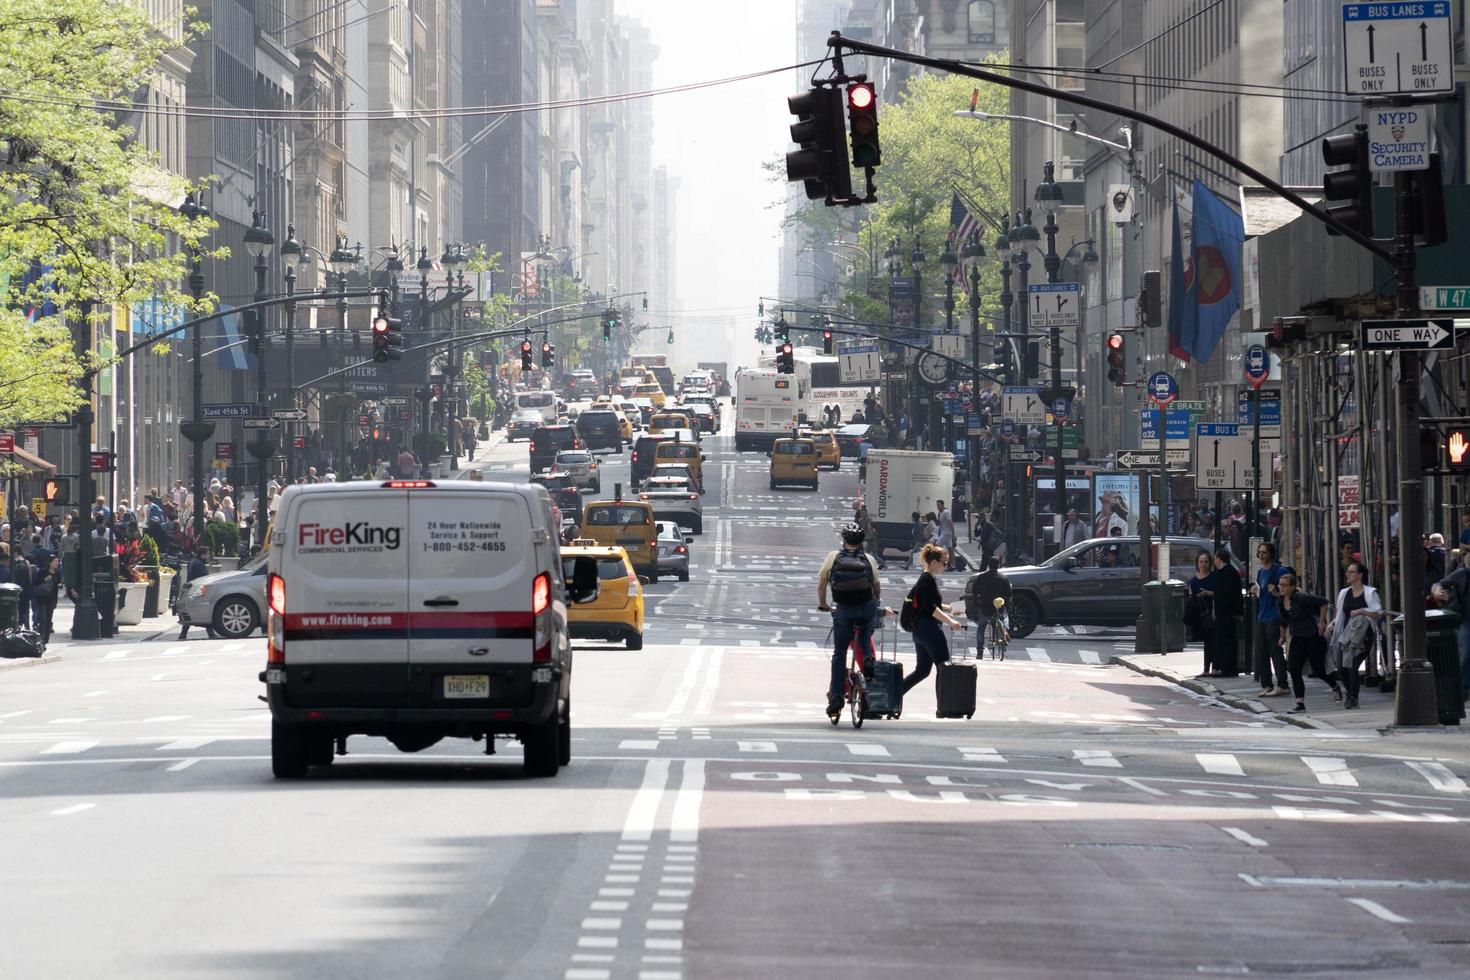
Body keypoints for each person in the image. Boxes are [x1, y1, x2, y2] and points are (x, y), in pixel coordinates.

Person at [817, 522, 882, 720]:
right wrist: (875, 603)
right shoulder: (868, 559)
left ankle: (836, 699)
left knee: (840, 653)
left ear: (844, 540)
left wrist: (824, 604)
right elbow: (877, 587)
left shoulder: (833, 557)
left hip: (844, 610)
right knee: (864, 633)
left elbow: (821, 585)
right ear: (862, 541)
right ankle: (868, 660)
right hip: (866, 608)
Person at [900, 544, 964, 707]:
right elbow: (931, 608)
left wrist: (952, 609)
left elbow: (930, 604)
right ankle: (944, 706)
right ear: (934, 562)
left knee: (922, 670)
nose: (946, 566)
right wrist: (950, 622)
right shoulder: (927, 581)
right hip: (930, 630)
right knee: (943, 667)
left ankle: (893, 694)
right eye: (944, 563)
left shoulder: (925, 579)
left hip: (920, 632)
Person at [1276, 573, 1342, 713]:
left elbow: (1323, 602)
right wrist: (1282, 637)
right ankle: (1300, 704)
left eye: (1284, 585)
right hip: (1297, 639)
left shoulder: (1301, 597)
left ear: (1293, 587)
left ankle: (1334, 686)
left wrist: (1321, 623)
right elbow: (1283, 621)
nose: (1281, 588)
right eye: (1279, 585)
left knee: (1318, 670)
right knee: (1294, 669)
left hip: (1313, 637)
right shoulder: (1280, 602)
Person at [1251, 542, 1292, 697]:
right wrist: (1256, 591)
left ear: (1271, 554)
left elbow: (1288, 591)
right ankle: (1267, 684)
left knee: (1275, 651)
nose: (1261, 555)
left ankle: (1282, 684)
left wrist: (1276, 592)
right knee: (1261, 652)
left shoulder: (1279, 570)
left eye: (1264, 552)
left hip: (1274, 616)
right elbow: (1262, 593)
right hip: (1262, 615)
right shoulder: (1261, 572)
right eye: (1259, 552)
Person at [1431, 553, 1470, 707]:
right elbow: (1439, 584)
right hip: (1467, 621)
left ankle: (1462, 691)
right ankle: (1460, 691)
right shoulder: (1462, 573)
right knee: (1464, 656)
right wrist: (1437, 591)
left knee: (1464, 656)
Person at [963, 557, 1012, 656]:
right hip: (998, 607)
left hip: (984, 606)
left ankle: (979, 652)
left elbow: (975, 591)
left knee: (981, 627)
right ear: (999, 565)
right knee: (1002, 618)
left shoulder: (981, 577)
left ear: (988, 565)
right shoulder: (1003, 578)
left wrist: (978, 601)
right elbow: (1008, 592)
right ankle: (1004, 632)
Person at [1209, 549, 1244, 675]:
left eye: (1215, 558)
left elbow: (1227, 595)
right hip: (1223, 613)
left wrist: (1220, 609)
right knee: (1223, 640)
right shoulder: (1223, 572)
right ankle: (1224, 667)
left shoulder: (1228, 572)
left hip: (1227, 613)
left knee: (1227, 641)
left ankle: (1229, 668)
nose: (1214, 561)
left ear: (1219, 559)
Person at [1186, 551, 1218, 677]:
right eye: (1201, 562)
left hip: (1213, 612)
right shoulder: (1193, 581)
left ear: (1210, 563)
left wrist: (1208, 593)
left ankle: (1215, 667)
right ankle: (1206, 669)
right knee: (1206, 642)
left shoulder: (1214, 577)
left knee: (1214, 641)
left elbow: (1219, 592)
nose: (1203, 564)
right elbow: (1191, 598)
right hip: (1200, 615)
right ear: (1197, 564)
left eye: (1206, 562)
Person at [177, 547, 219, 640]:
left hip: (192, 589)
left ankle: (183, 634)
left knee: (191, 612)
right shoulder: (199, 564)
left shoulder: (194, 561)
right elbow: (204, 578)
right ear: (202, 554)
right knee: (204, 611)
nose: (209, 555)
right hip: (198, 590)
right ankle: (211, 634)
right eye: (207, 553)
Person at [31, 554, 62, 645]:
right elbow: (35, 583)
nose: (57, 563)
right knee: (42, 618)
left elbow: (59, 582)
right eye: (55, 561)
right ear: (50, 563)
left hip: (51, 599)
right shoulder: (43, 572)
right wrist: (45, 579)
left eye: (58, 561)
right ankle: (41, 637)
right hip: (42, 598)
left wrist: (60, 585)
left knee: (49, 619)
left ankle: (46, 639)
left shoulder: (57, 573)